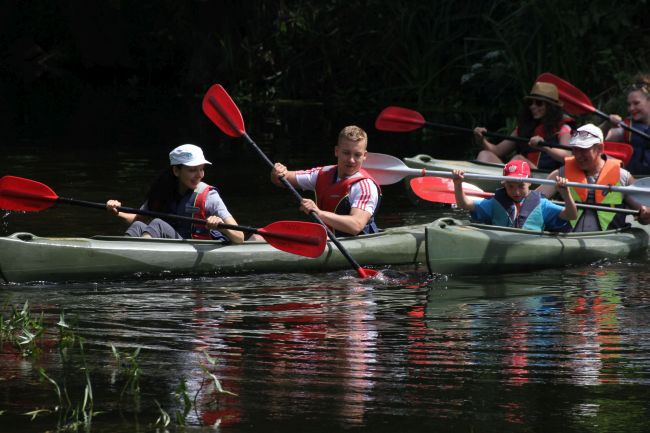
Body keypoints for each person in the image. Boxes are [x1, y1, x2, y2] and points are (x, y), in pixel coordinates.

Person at [106, 144, 244, 243]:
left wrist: (220, 225)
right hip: (173, 246)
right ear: (176, 171)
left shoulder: (209, 197)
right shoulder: (162, 191)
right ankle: (126, 254)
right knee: (138, 226)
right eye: (192, 170)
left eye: (201, 169)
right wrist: (117, 211)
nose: (199, 175)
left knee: (158, 224)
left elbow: (239, 237)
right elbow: (137, 219)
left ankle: (134, 257)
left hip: (196, 249)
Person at [270, 125, 380, 237]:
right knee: (258, 237)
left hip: (352, 243)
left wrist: (319, 213)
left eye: (357, 155)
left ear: (364, 156)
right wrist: (278, 172)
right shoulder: (322, 174)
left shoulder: (365, 186)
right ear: (337, 151)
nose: (351, 160)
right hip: (325, 239)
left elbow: (356, 225)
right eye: (346, 153)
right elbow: (282, 180)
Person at [537, 124, 650, 231]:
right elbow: (532, 201)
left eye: (584, 149)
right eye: (575, 149)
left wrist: (645, 214)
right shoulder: (560, 174)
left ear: (600, 148)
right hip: (567, 240)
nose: (578, 155)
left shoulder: (622, 177)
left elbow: (644, 218)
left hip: (608, 242)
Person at [453, 160, 577, 231]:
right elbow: (464, 204)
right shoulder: (494, 203)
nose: (516, 192)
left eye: (521, 186)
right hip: (501, 243)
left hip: (531, 247)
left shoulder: (542, 204)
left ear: (529, 183)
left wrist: (565, 194)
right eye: (510, 186)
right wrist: (458, 184)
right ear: (504, 184)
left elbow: (571, 215)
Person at [474, 81, 573, 170]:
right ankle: (502, 185)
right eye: (530, 103)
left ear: (550, 107)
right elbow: (498, 150)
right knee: (485, 155)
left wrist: (544, 147)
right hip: (518, 172)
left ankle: (509, 184)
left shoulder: (563, 128)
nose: (533, 106)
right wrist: (482, 140)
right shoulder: (523, 127)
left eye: (539, 103)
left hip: (544, 177)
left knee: (519, 160)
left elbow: (567, 155)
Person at [601, 73, 650, 174]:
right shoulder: (626, 128)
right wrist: (607, 125)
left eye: (636, 103)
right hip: (636, 182)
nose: (631, 108)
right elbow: (595, 138)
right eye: (629, 104)